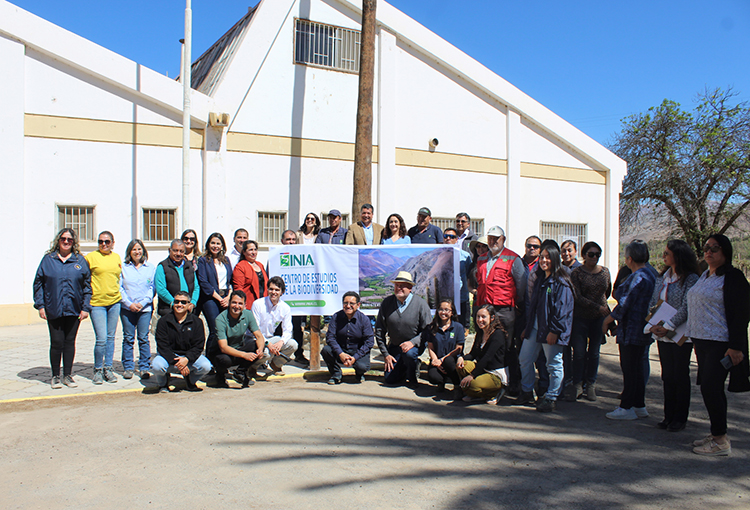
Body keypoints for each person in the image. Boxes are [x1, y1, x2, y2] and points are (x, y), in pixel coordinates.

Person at [686, 234, 750, 455]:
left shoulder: (733, 277)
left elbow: (741, 313)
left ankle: (721, 441)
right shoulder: (705, 275)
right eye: (706, 248)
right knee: (707, 388)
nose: (709, 252)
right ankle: (715, 433)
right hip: (702, 342)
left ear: (726, 252)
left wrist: (736, 346)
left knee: (712, 389)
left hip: (720, 343)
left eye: (715, 248)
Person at [646, 240, 700, 432]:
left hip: (680, 334)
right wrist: (653, 324)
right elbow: (654, 301)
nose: (664, 255)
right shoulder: (663, 278)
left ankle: (680, 417)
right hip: (662, 334)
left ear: (678, 255)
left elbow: (687, 306)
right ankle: (668, 416)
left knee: (680, 374)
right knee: (667, 375)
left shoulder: (691, 279)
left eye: (667, 252)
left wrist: (669, 325)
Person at [602, 240, 656, 420]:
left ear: (629, 258)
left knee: (630, 369)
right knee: (638, 368)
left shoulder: (637, 277)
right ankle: (639, 404)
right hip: (643, 329)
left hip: (632, 329)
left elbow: (624, 305)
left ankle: (626, 407)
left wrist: (607, 320)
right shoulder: (651, 274)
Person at [517, 244, 574, 412]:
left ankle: (551, 397)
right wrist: (527, 328)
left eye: (548, 257)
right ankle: (527, 391)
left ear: (555, 259)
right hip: (534, 329)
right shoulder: (540, 279)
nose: (543, 260)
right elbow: (534, 307)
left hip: (551, 331)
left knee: (554, 364)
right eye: (542, 257)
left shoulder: (561, 282)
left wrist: (555, 331)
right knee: (525, 359)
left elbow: (562, 310)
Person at [33, 228, 91, 389]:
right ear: (58, 241)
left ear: (74, 242)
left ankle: (68, 375)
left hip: (74, 309)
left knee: (70, 342)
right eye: (63, 239)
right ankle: (55, 376)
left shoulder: (79, 261)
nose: (66, 242)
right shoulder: (48, 260)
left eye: (70, 240)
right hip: (54, 308)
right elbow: (38, 284)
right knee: (57, 342)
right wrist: (41, 306)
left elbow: (87, 286)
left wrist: (85, 307)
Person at [566, 241, 610, 402]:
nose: (595, 257)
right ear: (584, 255)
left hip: (598, 319)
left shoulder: (605, 272)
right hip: (581, 317)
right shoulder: (576, 273)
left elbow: (607, 291)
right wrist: (597, 306)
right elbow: (576, 296)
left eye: (598, 254)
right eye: (591, 254)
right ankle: (578, 383)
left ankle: (590, 383)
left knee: (594, 352)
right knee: (578, 353)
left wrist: (600, 309)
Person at [375, 271, 432, 387]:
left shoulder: (420, 304)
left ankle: (412, 373)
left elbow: (428, 329)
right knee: (390, 379)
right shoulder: (387, 303)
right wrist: (386, 354)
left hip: (414, 347)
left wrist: (412, 342)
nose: (399, 288)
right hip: (395, 346)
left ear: (410, 288)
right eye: (397, 285)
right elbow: (380, 330)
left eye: (402, 286)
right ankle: (405, 366)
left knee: (409, 355)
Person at [152, 291, 211, 392]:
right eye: (177, 302)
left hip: (188, 357)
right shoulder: (163, 321)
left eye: (183, 302)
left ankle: (190, 380)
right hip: (169, 356)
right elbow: (162, 346)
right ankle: (163, 383)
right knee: (156, 366)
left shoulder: (197, 322)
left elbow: (198, 345)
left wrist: (187, 359)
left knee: (206, 366)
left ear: (189, 304)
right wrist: (178, 362)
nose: (179, 305)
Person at [86, 230, 122, 385]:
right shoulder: (90, 258)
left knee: (110, 338)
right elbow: (84, 279)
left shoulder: (117, 257)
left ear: (112, 243)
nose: (104, 244)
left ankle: (108, 368)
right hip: (97, 303)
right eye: (101, 241)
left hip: (114, 302)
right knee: (101, 339)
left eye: (107, 242)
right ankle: (98, 369)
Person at [211, 291, 266, 388]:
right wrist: (244, 355)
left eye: (240, 303)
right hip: (222, 353)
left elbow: (259, 336)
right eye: (234, 302)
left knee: (257, 345)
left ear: (245, 305)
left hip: (238, 348)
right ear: (229, 303)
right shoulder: (220, 319)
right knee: (224, 360)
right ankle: (220, 375)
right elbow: (223, 347)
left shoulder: (248, 314)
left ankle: (240, 372)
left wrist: (260, 349)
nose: (237, 306)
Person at [457, 304, 509, 403]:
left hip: (495, 373)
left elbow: (487, 358)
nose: (480, 320)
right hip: (483, 369)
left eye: (483, 317)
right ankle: (475, 393)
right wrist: (461, 358)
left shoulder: (498, 334)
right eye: (478, 316)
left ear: (492, 318)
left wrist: (472, 375)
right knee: (462, 365)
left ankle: (494, 392)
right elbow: (473, 354)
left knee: (471, 385)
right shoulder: (480, 333)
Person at [119, 239, 156, 380]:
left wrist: (142, 303)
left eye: (139, 249)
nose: (137, 252)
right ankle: (128, 367)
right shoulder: (123, 267)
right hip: (127, 309)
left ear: (143, 251)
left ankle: (144, 367)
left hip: (145, 309)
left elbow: (152, 288)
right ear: (129, 252)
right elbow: (120, 288)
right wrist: (129, 304)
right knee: (128, 338)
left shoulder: (150, 267)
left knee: (143, 338)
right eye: (134, 249)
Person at [322, 291, 374, 384]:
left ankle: (359, 374)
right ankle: (336, 374)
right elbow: (330, 337)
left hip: (357, 352)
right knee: (326, 350)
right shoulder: (336, 317)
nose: (348, 306)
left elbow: (369, 342)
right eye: (345, 303)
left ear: (358, 305)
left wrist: (355, 357)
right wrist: (341, 353)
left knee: (362, 366)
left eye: (352, 303)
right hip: (341, 350)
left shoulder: (364, 319)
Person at [197, 233, 233, 357]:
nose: (215, 246)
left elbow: (230, 281)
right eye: (213, 243)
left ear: (222, 245)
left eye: (218, 243)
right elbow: (203, 281)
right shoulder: (203, 260)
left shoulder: (226, 260)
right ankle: (210, 359)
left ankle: (221, 358)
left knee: (224, 330)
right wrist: (219, 298)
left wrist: (228, 298)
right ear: (208, 244)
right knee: (215, 329)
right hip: (210, 298)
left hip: (225, 298)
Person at [251, 276, 296, 374]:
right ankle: (252, 368)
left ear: (282, 292)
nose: (273, 292)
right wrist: (268, 344)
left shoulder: (285, 308)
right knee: (267, 354)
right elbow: (255, 329)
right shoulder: (258, 304)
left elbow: (288, 330)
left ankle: (276, 365)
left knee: (293, 345)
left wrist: (281, 342)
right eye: (271, 289)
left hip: (271, 338)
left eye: (277, 290)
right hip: (256, 339)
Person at [424, 300, 465, 396]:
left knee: (448, 361)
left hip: (451, 361)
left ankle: (457, 386)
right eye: (441, 309)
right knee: (433, 377)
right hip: (437, 360)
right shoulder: (432, 327)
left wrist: (442, 360)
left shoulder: (458, 327)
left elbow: (458, 349)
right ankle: (441, 383)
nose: (443, 312)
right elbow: (431, 348)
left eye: (447, 310)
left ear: (452, 312)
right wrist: (435, 360)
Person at [280, 231, 308, 365]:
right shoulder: (276, 255)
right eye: (288, 239)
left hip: (296, 301)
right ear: (282, 241)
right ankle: (278, 356)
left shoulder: (300, 255)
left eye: (293, 239)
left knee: (297, 329)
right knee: (279, 329)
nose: (291, 242)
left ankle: (299, 354)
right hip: (280, 301)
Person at [155, 239, 200, 317]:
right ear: (170, 250)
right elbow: (161, 289)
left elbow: (196, 287)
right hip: (169, 311)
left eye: (181, 251)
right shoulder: (162, 266)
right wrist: (176, 303)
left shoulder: (189, 266)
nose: (178, 254)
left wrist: (192, 303)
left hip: (188, 310)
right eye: (175, 251)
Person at [443, 227, 472, 330]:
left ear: (456, 239)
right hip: (444, 300)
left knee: (460, 330)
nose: (448, 239)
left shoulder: (465, 256)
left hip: (462, 299)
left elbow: (470, 275)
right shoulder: (438, 255)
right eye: (446, 236)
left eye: (452, 237)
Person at [231, 240, 268, 310]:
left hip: (263, 304)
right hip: (249, 305)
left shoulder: (260, 265)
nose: (253, 252)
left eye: (255, 250)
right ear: (244, 252)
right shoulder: (240, 266)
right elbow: (238, 288)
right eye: (250, 250)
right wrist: (241, 303)